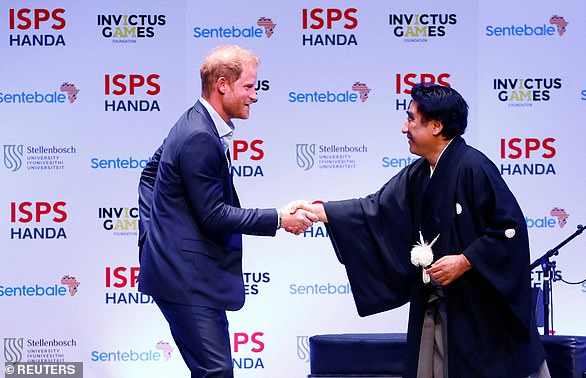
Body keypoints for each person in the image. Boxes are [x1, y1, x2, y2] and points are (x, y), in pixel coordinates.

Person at [297, 84, 549, 377]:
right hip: (439, 303)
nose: (404, 127)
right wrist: (318, 212)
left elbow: (509, 230)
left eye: (411, 119)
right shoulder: (420, 173)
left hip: (479, 314)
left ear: (436, 126)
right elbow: (375, 209)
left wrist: (464, 261)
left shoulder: (474, 167)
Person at [137, 45, 317, 377]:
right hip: (186, 279)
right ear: (223, 84)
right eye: (249, 87)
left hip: (187, 274)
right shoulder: (199, 136)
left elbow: (149, 175)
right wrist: (279, 218)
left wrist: (153, 237)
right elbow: (214, 215)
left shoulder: (194, 121)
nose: (255, 95)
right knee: (216, 372)